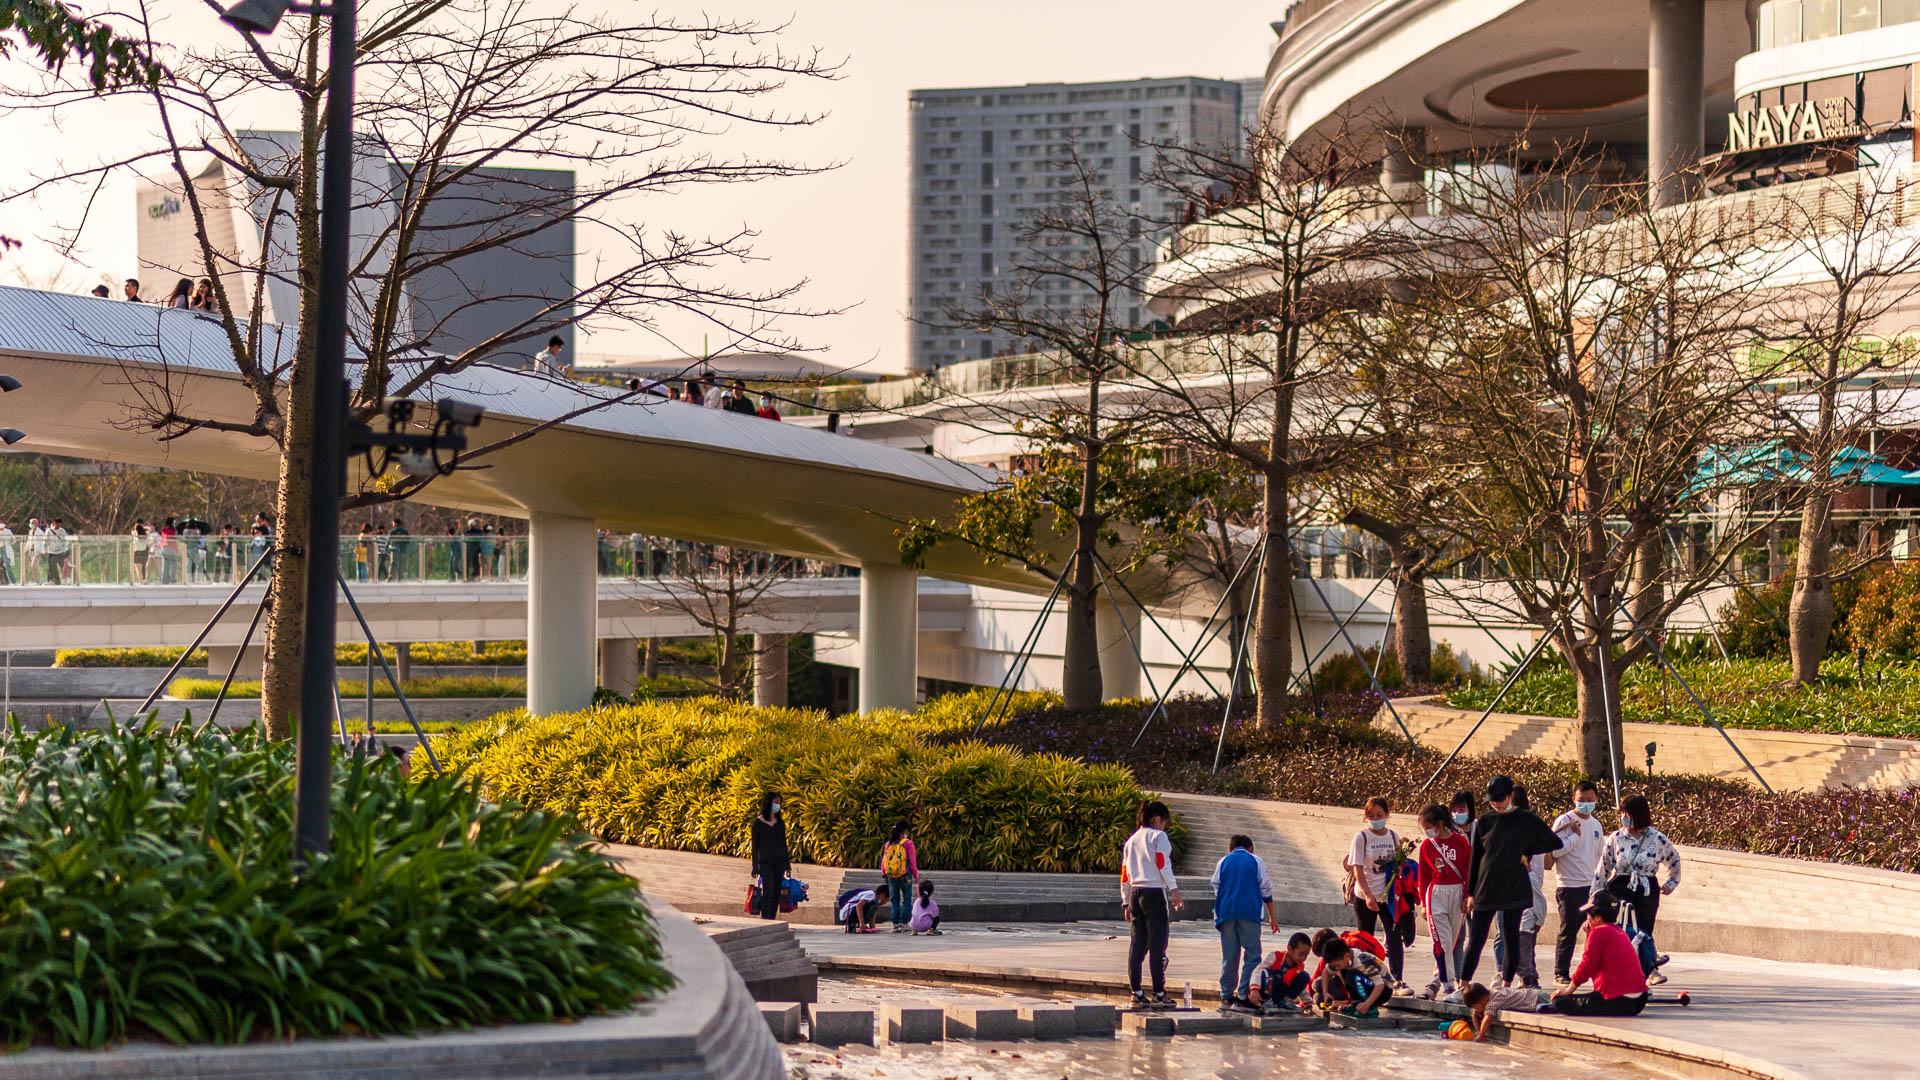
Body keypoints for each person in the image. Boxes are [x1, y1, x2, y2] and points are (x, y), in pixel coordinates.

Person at [1457, 775, 1563, 992]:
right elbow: (1476, 857)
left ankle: (1506, 985)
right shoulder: (1485, 821)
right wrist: (1470, 893)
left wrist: (1527, 851)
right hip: (1486, 886)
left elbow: (1553, 841)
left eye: (1500, 799)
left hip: (1514, 886)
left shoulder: (1525, 818)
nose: (1496, 803)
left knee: (1510, 936)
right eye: (1493, 800)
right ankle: (1463, 985)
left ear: (1511, 796)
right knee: (1476, 938)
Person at [1599, 794, 1681, 982]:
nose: (1623, 817)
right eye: (1622, 813)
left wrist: (1671, 883)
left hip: (1646, 888)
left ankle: (1648, 971)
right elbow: (1603, 866)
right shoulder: (1617, 838)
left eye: (1627, 813)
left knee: (1643, 930)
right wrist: (1596, 894)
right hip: (1620, 886)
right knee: (1622, 931)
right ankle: (1622, 974)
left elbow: (1674, 860)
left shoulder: (1656, 838)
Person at [1121, 799, 1183, 1007]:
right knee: (1157, 945)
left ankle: (1136, 992)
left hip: (1135, 893)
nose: (1164, 826)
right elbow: (1163, 864)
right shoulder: (1159, 836)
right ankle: (1159, 992)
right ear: (1157, 820)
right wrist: (1173, 889)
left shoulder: (1131, 840)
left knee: (1137, 945)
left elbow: (1124, 874)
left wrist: (1125, 902)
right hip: (1154, 892)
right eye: (1164, 822)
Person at [1347, 796, 1413, 989]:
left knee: (1394, 937)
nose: (1376, 818)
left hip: (1389, 897)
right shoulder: (1361, 838)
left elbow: (1399, 862)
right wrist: (1368, 895)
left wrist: (1399, 869)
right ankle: (1367, 977)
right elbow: (1357, 869)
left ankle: (1396, 979)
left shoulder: (1393, 836)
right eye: (1371, 815)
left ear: (1387, 815)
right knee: (1365, 938)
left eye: (1379, 815)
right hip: (1365, 895)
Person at [1210, 834, 1281, 1012]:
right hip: (1249, 913)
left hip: (1226, 914)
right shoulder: (1256, 861)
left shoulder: (1223, 861)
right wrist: (1272, 916)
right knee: (1252, 955)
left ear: (1230, 849)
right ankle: (1243, 996)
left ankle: (1226, 997)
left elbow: (1216, 885)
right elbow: (1265, 888)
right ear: (1250, 848)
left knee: (1229, 956)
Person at [1551, 892, 1649, 1016]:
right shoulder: (1620, 932)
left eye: (1588, 915)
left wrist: (1569, 989)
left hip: (1618, 1000)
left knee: (1559, 1001)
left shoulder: (1598, 932)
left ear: (1597, 917)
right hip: (1639, 1001)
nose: (1587, 918)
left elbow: (1588, 965)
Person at [1549, 780, 1607, 986]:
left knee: (1594, 930)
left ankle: (1593, 971)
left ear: (1596, 800)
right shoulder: (1564, 821)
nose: (1585, 804)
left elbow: (1600, 855)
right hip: (1568, 885)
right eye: (1581, 800)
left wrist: (1601, 883)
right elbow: (1554, 850)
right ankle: (1560, 972)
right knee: (1569, 930)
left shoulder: (1596, 825)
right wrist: (1574, 837)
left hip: (1589, 886)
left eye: (1590, 800)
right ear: (1573, 799)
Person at [1416, 803, 1470, 998]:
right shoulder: (1427, 845)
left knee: (1452, 942)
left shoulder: (1461, 842)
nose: (1427, 831)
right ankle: (1448, 983)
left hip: (1456, 893)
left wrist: (1467, 896)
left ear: (1439, 823)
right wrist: (1423, 901)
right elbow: (1423, 876)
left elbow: (1467, 871)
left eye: (1428, 826)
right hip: (1436, 894)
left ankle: (1435, 981)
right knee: (1443, 941)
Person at [1316, 939, 1391, 1017]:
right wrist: (1325, 993)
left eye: (1337, 965)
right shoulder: (1345, 961)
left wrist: (1367, 1004)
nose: (1336, 968)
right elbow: (1326, 972)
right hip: (1369, 985)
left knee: (1351, 975)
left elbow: (1380, 984)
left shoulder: (1362, 961)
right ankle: (1357, 1004)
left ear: (1346, 956)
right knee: (1345, 972)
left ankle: (1368, 1007)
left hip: (1384, 990)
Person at [1248, 932, 1315, 1015]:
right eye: (1300, 954)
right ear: (1290, 949)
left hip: (1282, 994)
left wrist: (1308, 1005)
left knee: (1304, 976)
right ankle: (1267, 1002)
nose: (1303, 958)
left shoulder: (1299, 967)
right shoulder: (1275, 957)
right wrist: (1254, 989)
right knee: (1266, 972)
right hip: (1268, 991)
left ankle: (1286, 1002)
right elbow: (1258, 971)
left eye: (1306, 955)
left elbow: (1302, 988)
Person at [748, 791, 790, 921]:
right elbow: (755, 847)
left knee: (776, 892)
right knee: (768, 891)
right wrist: (755, 867)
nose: (777, 805)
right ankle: (765, 917)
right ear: (769, 803)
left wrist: (788, 866)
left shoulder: (780, 823)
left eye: (779, 803)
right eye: (775, 802)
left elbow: (784, 844)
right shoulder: (758, 823)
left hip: (779, 862)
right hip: (766, 863)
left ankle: (772, 917)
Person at [1457, 982, 1548, 1040]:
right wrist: (1477, 1031)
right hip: (1534, 994)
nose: (1476, 1010)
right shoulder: (1491, 993)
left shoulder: (1493, 1001)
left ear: (1484, 1000)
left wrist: (1481, 1034)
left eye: (1476, 1007)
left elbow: (1488, 1018)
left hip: (1537, 998)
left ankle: (1551, 1006)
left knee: (1549, 1006)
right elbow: (1474, 1014)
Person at [880, 822, 919, 932]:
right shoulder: (908, 843)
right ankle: (903, 923)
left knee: (894, 900)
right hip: (905, 875)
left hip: (891, 875)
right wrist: (916, 875)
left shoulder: (888, 844)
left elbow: (884, 861)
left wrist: (884, 873)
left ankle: (895, 923)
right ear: (905, 830)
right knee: (906, 900)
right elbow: (912, 861)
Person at [43, 518, 70, 584]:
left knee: (63, 566)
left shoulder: (62, 531)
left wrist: (64, 550)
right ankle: (51, 581)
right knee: (51, 567)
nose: (58, 526)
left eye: (60, 525)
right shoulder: (49, 531)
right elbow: (45, 541)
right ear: (54, 523)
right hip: (51, 551)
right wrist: (45, 550)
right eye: (57, 524)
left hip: (60, 551)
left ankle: (66, 580)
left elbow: (65, 541)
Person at [0, 520, 14, 585]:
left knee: (7, 566)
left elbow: (13, 540)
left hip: (5, 549)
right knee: (1, 566)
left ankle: (13, 581)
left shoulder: (7, 531)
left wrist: (11, 540)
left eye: (1, 523)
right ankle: (4, 581)